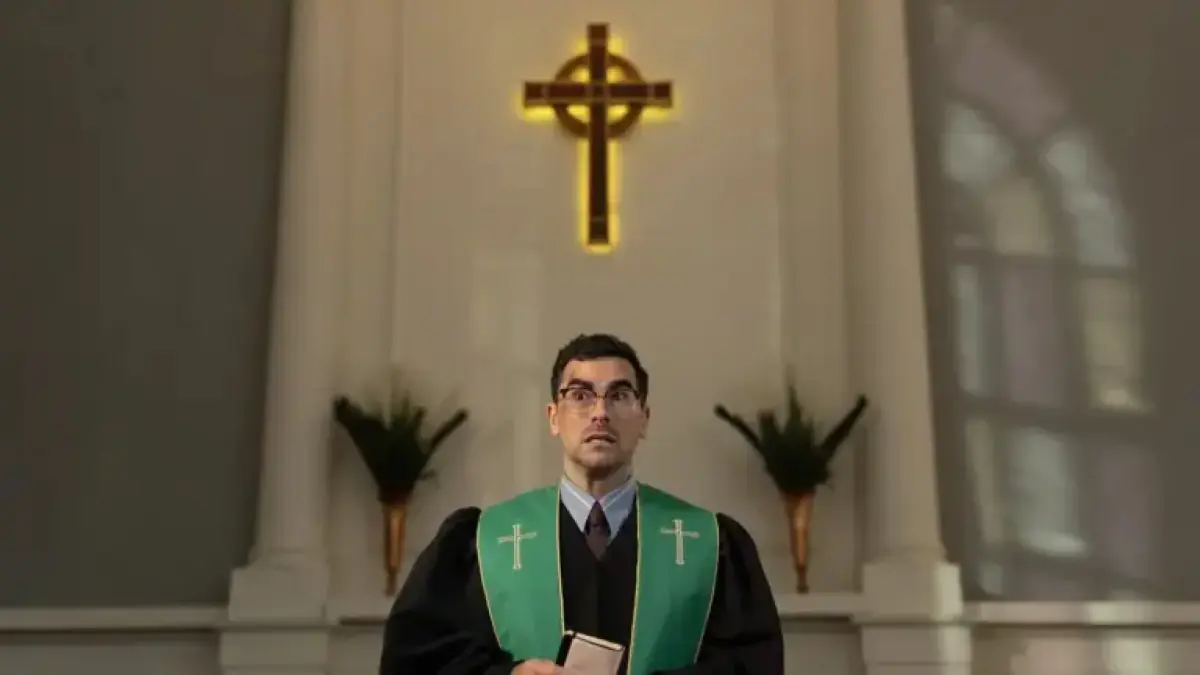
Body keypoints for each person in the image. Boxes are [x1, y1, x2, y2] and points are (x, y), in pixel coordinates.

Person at [380, 334, 784, 675]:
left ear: (644, 418)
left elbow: (752, 666)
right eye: (580, 395)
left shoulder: (709, 544)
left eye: (620, 395)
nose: (600, 412)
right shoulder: (482, 542)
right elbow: (418, 661)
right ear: (553, 417)